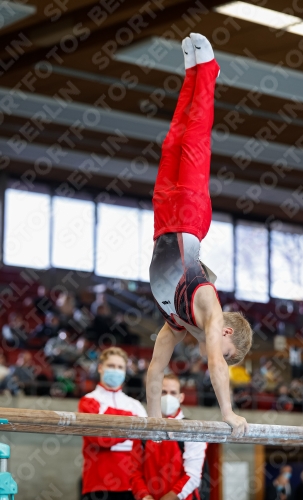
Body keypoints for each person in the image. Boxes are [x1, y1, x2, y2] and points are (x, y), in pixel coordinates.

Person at [147, 33, 253, 437]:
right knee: (194, 140)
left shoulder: (177, 322)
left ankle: (190, 73)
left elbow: (157, 367)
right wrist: (228, 413)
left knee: (172, 140)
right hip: (189, 219)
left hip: (162, 220)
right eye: (226, 354)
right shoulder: (207, 305)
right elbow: (214, 364)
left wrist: (153, 423)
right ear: (226, 333)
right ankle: (208, 72)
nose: (215, 354)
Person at [79, 347, 147, 500]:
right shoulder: (88, 401)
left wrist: (112, 425)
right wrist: (132, 423)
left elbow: (145, 445)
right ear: (100, 367)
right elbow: (100, 439)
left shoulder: (135, 405)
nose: (115, 370)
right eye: (111, 366)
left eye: (120, 367)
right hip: (98, 483)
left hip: (133, 484)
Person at [131, 373, 207, 500]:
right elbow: (135, 472)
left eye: (173, 393)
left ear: (181, 397)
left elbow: (193, 476)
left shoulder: (192, 428)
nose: (168, 397)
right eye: (163, 392)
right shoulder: (144, 429)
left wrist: (171, 497)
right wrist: (145, 496)